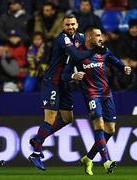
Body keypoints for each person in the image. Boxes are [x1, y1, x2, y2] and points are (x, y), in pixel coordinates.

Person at [28, 14, 95, 171]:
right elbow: (76, 55)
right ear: (63, 26)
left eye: (72, 24)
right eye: (67, 25)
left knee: (67, 118)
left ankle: (38, 139)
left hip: (65, 83)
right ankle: (35, 153)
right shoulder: (61, 39)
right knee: (50, 118)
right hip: (52, 82)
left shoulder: (80, 37)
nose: (70, 27)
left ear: (77, 24)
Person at [62, 26, 131, 175]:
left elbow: (114, 60)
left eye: (102, 35)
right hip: (91, 94)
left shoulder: (103, 50)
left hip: (107, 94)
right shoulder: (76, 55)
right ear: (88, 37)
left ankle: (88, 158)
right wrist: (74, 76)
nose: (101, 38)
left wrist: (123, 67)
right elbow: (65, 75)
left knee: (110, 130)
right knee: (99, 125)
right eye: (98, 35)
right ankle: (106, 161)